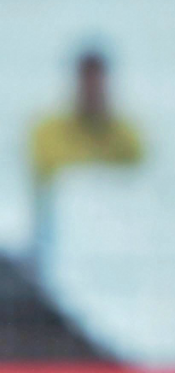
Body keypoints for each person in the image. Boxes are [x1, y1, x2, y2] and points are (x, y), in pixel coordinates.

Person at [28, 50, 143, 269]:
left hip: (114, 241)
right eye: (88, 83)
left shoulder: (128, 135)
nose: (92, 91)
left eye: (97, 84)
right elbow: (57, 178)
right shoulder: (47, 131)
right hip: (56, 240)